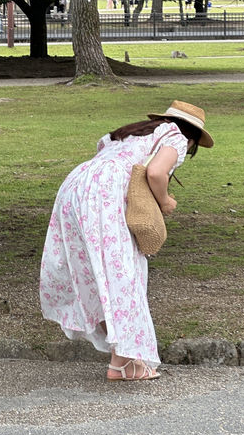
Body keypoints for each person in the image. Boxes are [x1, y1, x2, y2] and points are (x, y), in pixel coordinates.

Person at [39, 100, 214, 382]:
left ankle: (124, 358)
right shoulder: (176, 137)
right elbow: (156, 172)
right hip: (107, 192)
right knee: (124, 272)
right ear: (192, 136)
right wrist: (165, 200)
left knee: (96, 270)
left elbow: (103, 152)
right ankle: (123, 363)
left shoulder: (131, 132)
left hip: (77, 186)